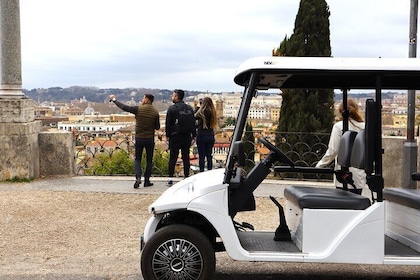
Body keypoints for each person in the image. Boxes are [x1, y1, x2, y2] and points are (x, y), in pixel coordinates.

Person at [109, 94, 160, 188]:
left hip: (139, 137)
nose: (142, 99)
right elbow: (157, 127)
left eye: (143, 98)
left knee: (138, 159)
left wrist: (114, 100)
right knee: (149, 160)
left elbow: (124, 107)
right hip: (149, 138)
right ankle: (147, 181)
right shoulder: (155, 112)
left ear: (146, 100)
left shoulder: (138, 109)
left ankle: (138, 178)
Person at [316, 98, 366, 189]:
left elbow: (333, 150)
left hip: (343, 176)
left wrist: (320, 165)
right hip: (360, 176)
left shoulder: (339, 127)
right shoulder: (364, 127)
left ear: (340, 111)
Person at [165, 89, 196, 186]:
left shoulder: (172, 109)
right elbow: (193, 123)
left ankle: (170, 178)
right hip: (186, 136)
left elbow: (168, 124)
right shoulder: (189, 108)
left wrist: (167, 135)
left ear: (176, 97)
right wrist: (194, 135)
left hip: (175, 136)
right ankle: (186, 177)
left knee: (173, 157)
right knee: (186, 157)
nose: (172, 97)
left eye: (173, 95)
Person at [195, 97, 218, 172]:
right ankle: (209, 171)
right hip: (210, 135)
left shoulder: (201, 112)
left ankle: (201, 171)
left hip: (202, 135)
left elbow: (194, 116)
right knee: (209, 155)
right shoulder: (213, 112)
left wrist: (197, 106)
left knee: (201, 156)